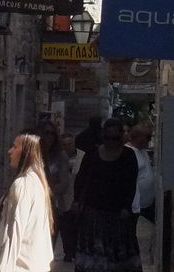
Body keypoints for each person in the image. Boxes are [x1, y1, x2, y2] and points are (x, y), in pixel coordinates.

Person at [73, 117, 141, 272]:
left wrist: (126, 206)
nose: (111, 142)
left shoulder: (128, 156)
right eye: (107, 138)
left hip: (117, 215)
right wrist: (76, 200)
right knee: (94, 256)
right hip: (93, 213)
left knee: (118, 257)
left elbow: (130, 182)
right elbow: (81, 179)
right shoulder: (92, 154)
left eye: (115, 138)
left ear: (120, 138)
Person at [0, 131, 54, 272]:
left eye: (14, 147)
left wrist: (4, 269)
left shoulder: (23, 184)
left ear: (27, 152)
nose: (9, 151)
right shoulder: (37, 181)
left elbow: (13, 232)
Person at [37, 121, 70, 232]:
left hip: (52, 205)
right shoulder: (34, 154)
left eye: (52, 134)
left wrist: (46, 188)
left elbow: (64, 184)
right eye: (47, 133)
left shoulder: (61, 156)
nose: (50, 137)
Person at [58, 133, 84, 262]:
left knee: (77, 227)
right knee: (65, 227)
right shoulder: (58, 158)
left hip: (77, 198)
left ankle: (76, 251)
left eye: (70, 144)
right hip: (62, 199)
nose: (67, 147)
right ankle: (68, 252)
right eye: (65, 144)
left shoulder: (82, 157)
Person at [127, 125, 155, 225]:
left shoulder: (143, 151)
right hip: (137, 207)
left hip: (148, 203)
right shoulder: (128, 154)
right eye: (148, 137)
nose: (150, 139)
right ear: (139, 137)